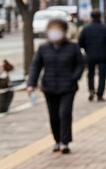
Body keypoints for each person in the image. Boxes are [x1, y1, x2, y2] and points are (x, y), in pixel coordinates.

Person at [26, 18, 85, 154]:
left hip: (68, 87)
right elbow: (36, 66)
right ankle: (57, 140)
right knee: (54, 116)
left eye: (58, 30)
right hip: (49, 87)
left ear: (64, 31)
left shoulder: (72, 47)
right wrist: (31, 84)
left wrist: (74, 77)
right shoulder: (43, 48)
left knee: (65, 113)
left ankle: (65, 142)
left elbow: (81, 64)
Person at [77, 11, 106, 102]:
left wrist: (84, 50)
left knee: (90, 74)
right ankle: (100, 94)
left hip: (89, 55)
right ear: (100, 17)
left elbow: (80, 43)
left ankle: (91, 90)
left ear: (91, 17)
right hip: (102, 55)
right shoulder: (105, 29)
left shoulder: (86, 29)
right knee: (102, 75)